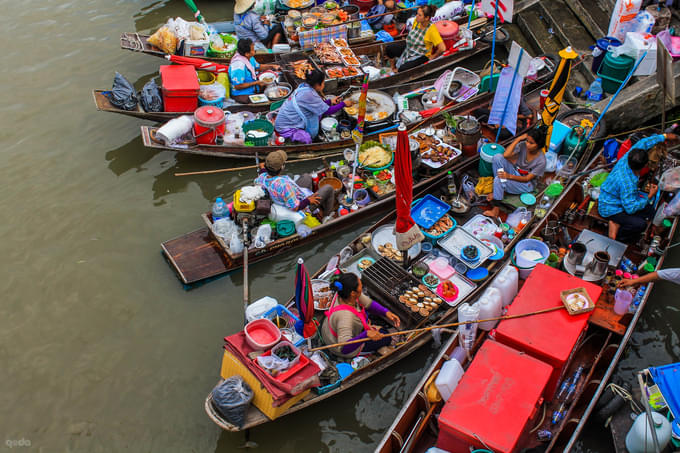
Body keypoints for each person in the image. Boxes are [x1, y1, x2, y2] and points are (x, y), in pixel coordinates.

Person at [598, 133, 679, 242]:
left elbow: (643, 143)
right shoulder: (628, 183)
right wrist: (650, 195)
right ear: (645, 165)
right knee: (640, 225)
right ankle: (616, 233)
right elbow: (630, 209)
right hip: (610, 207)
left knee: (650, 212)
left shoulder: (627, 159)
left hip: (619, 198)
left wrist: (664, 136)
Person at [321, 272, 401, 359]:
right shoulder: (345, 317)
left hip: (333, 329)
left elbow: (368, 304)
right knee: (386, 338)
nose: (362, 287)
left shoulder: (345, 294)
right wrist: (366, 334)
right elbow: (344, 347)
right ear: (353, 293)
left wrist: (386, 312)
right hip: (337, 345)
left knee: (380, 329)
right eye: (360, 286)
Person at [274, 69, 354, 144]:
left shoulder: (304, 87)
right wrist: (344, 104)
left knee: (318, 115)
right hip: (285, 127)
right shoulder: (309, 94)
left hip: (287, 120)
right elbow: (328, 111)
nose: (324, 84)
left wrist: (330, 101)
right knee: (306, 138)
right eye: (323, 82)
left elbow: (314, 105)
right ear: (317, 84)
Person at [483, 128, 547, 218]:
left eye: (531, 143)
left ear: (539, 145)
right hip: (515, 172)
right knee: (497, 157)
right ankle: (501, 189)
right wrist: (518, 139)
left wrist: (508, 176)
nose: (527, 144)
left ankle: (495, 210)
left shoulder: (541, 161)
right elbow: (506, 155)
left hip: (526, 184)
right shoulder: (523, 145)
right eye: (527, 141)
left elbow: (527, 179)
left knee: (498, 180)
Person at [255, 150, 335, 219]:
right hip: (300, 207)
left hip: (282, 197)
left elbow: (263, 172)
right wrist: (308, 200)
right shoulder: (284, 185)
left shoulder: (261, 178)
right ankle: (326, 216)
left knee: (306, 177)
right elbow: (295, 207)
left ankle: (314, 208)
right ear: (282, 167)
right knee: (329, 188)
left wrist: (262, 168)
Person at [385, 5, 446, 73]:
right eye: (417, 13)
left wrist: (433, 56)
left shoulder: (432, 30)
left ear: (426, 18)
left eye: (419, 15)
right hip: (410, 48)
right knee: (389, 48)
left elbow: (442, 48)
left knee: (403, 69)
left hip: (421, 55)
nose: (416, 16)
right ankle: (393, 68)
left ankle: (399, 71)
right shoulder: (416, 21)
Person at [228, 39, 280, 103]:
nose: (254, 50)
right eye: (253, 49)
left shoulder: (250, 57)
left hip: (252, 86)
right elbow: (238, 86)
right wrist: (257, 82)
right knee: (266, 100)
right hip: (241, 93)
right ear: (247, 53)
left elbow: (258, 67)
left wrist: (272, 66)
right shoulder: (238, 67)